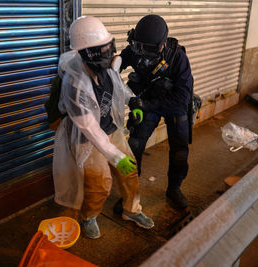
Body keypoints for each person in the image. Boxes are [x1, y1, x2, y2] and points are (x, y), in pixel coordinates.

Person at [52, 16, 154, 239]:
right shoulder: (75, 84)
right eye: (103, 48)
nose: (110, 52)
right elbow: (89, 127)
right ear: (86, 53)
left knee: (130, 169)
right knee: (100, 183)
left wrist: (133, 101)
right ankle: (89, 216)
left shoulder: (105, 67)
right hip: (86, 137)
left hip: (108, 128)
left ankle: (132, 210)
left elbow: (118, 85)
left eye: (109, 45)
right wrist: (115, 156)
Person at [115, 14, 194, 210]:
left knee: (180, 151)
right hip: (147, 99)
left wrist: (146, 105)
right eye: (138, 47)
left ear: (163, 44)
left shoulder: (178, 59)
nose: (142, 54)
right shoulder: (135, 49)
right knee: (134, 145)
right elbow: (114, 67)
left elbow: (182, 98)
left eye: (149, 49)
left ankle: (174, 188)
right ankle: (130, 192)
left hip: (171, 104)